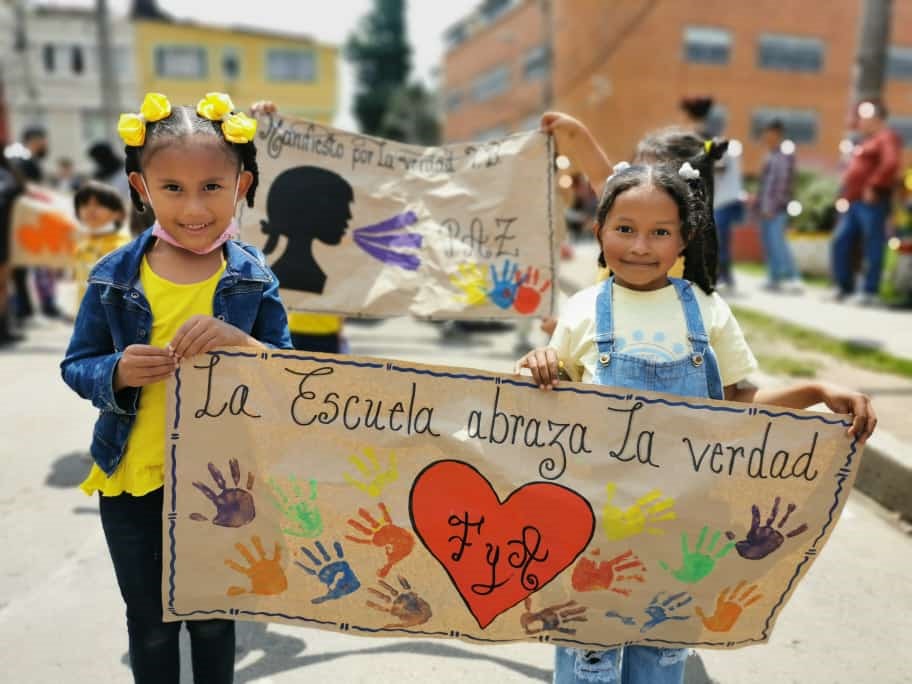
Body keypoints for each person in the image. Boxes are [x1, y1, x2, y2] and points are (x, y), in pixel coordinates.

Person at [516, 161, 876, 684]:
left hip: (685, 527)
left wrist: (818, 392)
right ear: (598, 233)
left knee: (661, 658)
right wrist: (536, 365)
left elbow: (741, 400)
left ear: (683, 240)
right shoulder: (583, 310)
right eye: (625, 229)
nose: (640, 246)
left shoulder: (707, 311)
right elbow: (547, 401)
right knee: (587, 654)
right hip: (594, 525)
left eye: (659, 232)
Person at [60, 91, 292, 684]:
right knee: (150, 624)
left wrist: (241, 344)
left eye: (212, 187)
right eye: (173, 189)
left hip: (227, 486)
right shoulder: (114, 277)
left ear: (240, 184)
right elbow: (77, 363)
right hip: (133, 479)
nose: (193, 207)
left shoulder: (252, 278)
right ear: (141, 187)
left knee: (215, 621)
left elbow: (288, 378)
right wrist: (114, 372)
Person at [249, 100, 346, 353]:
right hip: (288, 335)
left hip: (328, 335)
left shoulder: (337, 258)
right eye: (337, 207)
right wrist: (264, 125)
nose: (346, 217)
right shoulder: (267, 272)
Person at [831, 100, 903, 305]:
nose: (860, 121)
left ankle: (870, 291)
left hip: (871, 202)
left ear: (878, 118)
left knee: (873, 244)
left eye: (864, 116)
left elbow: (891, 163)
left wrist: (874, 185)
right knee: (841, 241)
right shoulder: (864, 142)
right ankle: (844, 287)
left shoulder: (887, 138)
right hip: (853, 201)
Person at [9, 125, 62, 320]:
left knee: (19, 268)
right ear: (35, 140)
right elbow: (31, 190)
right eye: (43, 140)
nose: (45, 144)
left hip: (17, 220)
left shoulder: (14, 156)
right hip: (27, 220)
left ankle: (24, 307)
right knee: (38, 264)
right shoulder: (24, 159)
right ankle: (39, 305)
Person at [755, 119, 803, 293]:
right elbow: (766, 184)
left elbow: (782, 184)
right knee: (769, 244)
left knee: (778, 244)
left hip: (776, 209)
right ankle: (774, 278)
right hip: (765, 209)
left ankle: (793, 278)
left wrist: (772, 207)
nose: (765, 137)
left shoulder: (783, 155)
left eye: (768, 134)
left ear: (776, 134)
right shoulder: (771, 155)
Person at [72, 180, 130, 305]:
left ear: (118, 214)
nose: (90, 210)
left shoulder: (122, 248)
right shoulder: (82, 245)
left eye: (99, 205)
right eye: (84, 204)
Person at [0, 147, 25, 346]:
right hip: (4, 238)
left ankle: (4, 329)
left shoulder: (7, 175)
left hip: (5, 238)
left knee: (2, 287)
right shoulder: (9, 175)